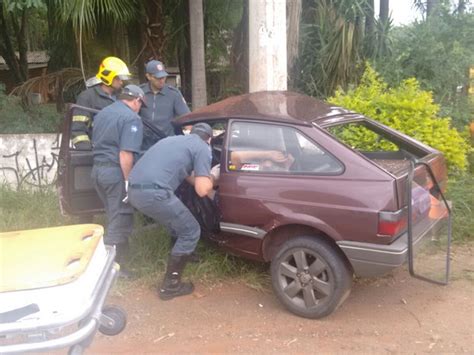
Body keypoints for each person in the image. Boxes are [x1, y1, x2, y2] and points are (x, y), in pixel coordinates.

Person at [128, 123, 218, 300]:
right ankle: (170, 286)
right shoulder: (202, 148)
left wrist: (202, 179)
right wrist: (214, 176)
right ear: (209, 139)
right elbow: (202, 189)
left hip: (134, 191)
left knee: (177, 223)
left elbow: (188, 177)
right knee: (191, 230)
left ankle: (185, 252)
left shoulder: (171, 141)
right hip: (155, 193)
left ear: (191, 133)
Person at [91, 84, 145, 278]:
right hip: (115, 173)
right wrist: (128, 182)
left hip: (98, 171)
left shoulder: (103, 113)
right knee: (120, 219)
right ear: (137, 100)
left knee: (113, 215)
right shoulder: (131, 118)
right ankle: (109, 270)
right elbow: (125, 153)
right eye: (141, 104)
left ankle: (121, 259)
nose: (140, 108)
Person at [72, 56, 132, 150]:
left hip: (119, 152)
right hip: (98, 155)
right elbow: (78, 129)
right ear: (108, 77)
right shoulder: (87, 97)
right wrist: (87, 150)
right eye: (118, 78)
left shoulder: (122, 97)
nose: (121, 82)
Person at [139, 60, 190, 150]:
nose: (162, 80)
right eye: (158, 78)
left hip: (167, 144)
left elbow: (187, 118)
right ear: (148, 76)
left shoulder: (173, 94)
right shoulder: (140, 92)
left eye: (163, 77)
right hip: (144, 145)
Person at [230, 150, 295, 172]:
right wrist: (267, 154)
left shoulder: (283, 174)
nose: (267, 165)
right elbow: (233, 158)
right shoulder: (254, 167)